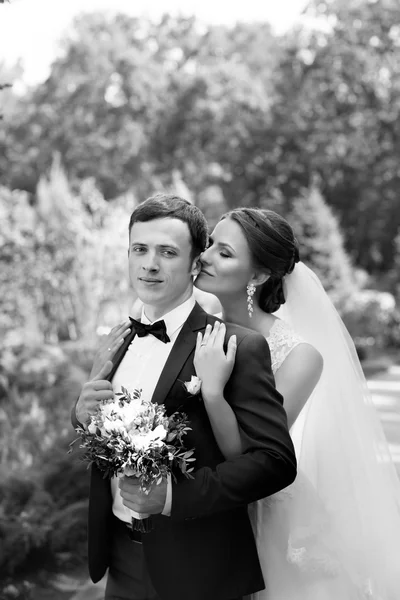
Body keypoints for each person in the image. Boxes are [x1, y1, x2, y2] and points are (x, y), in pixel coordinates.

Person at [71, 195, 297, 600]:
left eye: (168, 252)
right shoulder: (117, 339)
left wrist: (173, 496)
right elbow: (101, 434)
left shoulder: (235, 346)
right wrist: (82, 413)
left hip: (197, 570)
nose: (150, 264)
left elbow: (274, 462)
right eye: (139, 249)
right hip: (118, 557)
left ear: (196, 264)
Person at [194, 207, 400, 600]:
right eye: (208, 245)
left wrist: (213, 391)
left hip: (260, 518)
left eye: (224, 252)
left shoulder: (298, 356)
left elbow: (251, 453)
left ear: (257, 275)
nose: (204, 256)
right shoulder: (196, 329)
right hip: (193, 508)